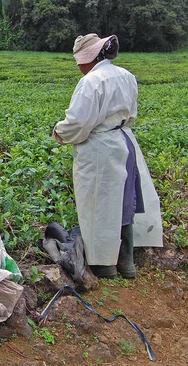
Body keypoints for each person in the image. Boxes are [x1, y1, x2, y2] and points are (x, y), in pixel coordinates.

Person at [52, 34, 163, 279]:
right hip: (123, 141)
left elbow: (79, 122)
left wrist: (59, 131)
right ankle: (127, 264)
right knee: (123, 202)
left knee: (99, 205)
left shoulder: (91, 81)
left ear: (87, 59)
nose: (78, 66)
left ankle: (105, 266)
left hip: (100, 148)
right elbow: (130, 112)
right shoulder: (126, 76)